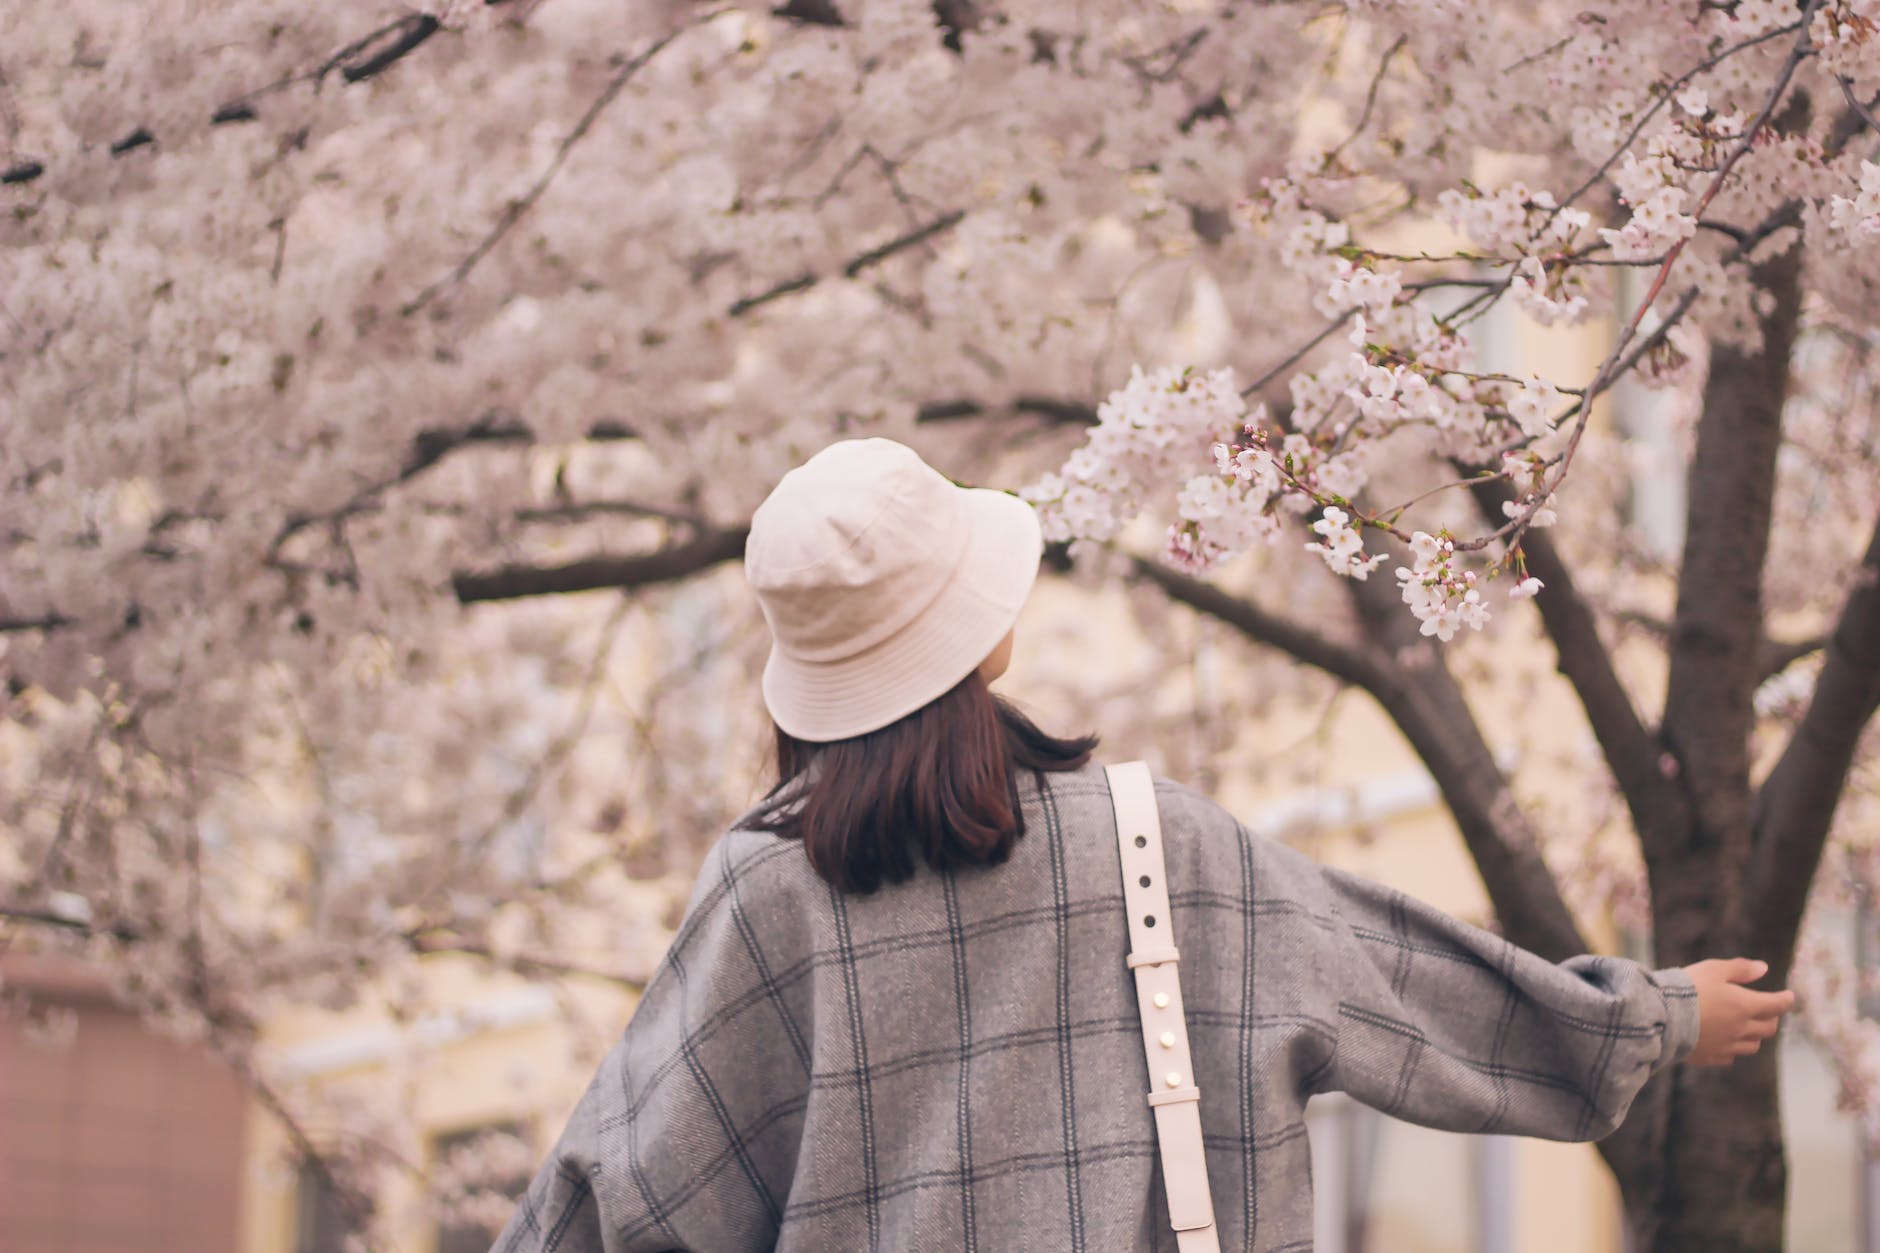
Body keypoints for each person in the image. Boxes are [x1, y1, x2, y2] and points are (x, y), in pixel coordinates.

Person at [494, 438, 1795, 1252]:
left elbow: (618, 1192)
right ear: (987, 632)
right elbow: (1402, 985)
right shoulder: (1148, 845)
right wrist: (1657, 1015)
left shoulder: (763, 892)